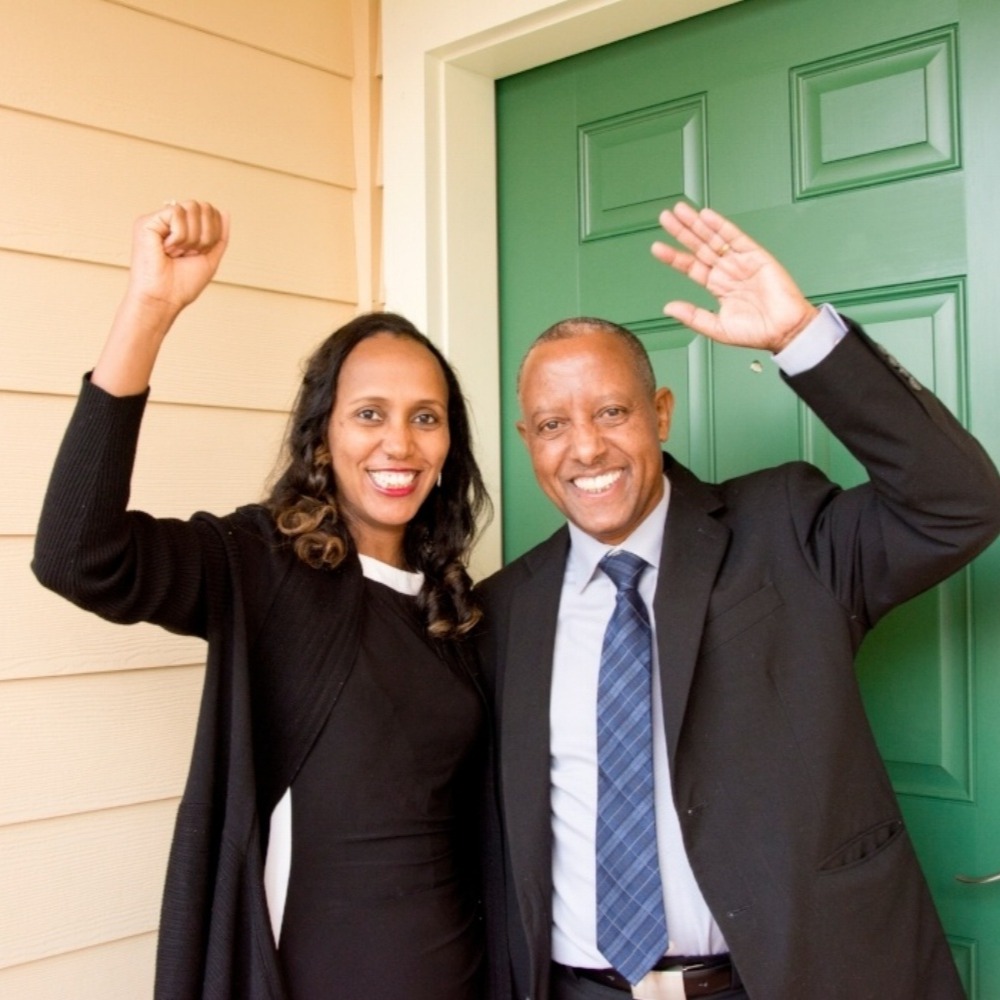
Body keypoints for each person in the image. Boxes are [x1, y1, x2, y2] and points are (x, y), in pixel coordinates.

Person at [478, 202, 1000, 1000]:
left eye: (612, 411)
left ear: (660, 414)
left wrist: (802, 338)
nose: (584, 447)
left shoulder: (784, 529)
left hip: (789, 978)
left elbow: (958, 505)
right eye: (553, 424)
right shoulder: (504, 613)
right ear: (528, 442)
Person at [32, 201, 493, 999]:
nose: (400, 444)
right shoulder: (263, 567)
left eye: (427, 419)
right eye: (369, 415)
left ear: (449, 448)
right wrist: (149, 310)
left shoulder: (456, 604)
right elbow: (78, 555)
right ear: (323, 438)